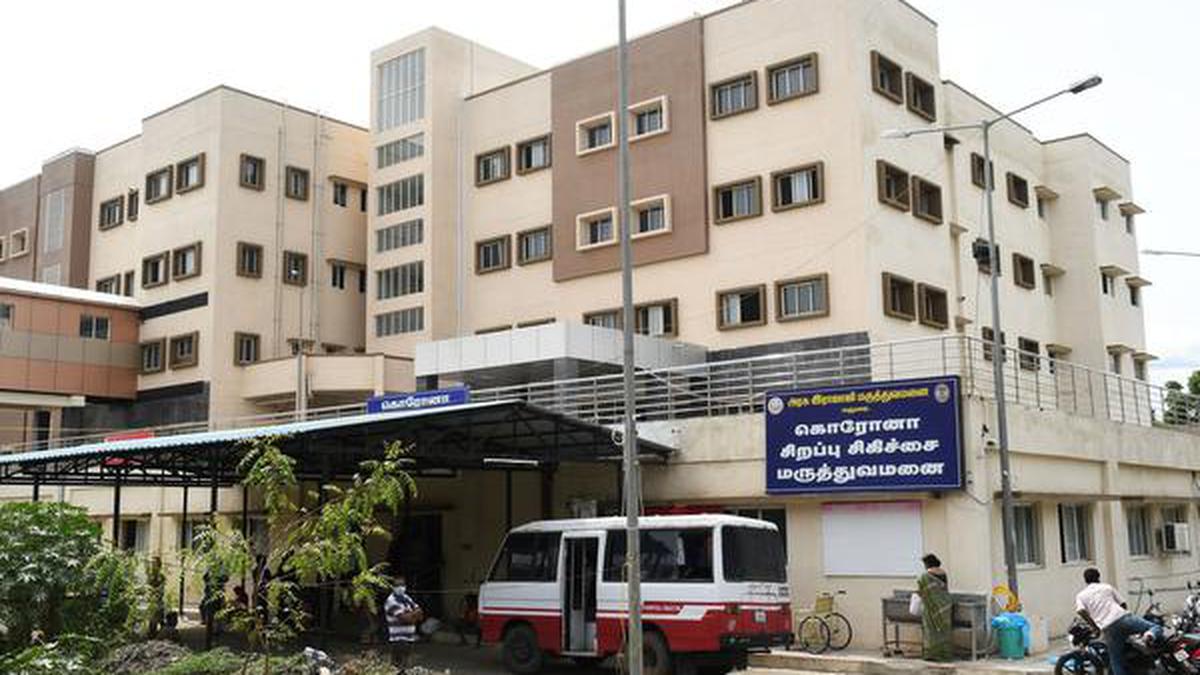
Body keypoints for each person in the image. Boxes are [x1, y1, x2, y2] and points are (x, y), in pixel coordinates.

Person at [1075, 567, 1159, 675]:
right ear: (1098, 578)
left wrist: (1094, 626)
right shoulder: (1107, 587)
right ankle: (1149, 635)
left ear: (1085, 580)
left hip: (1108, 628)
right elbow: (1123, 604)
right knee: (1155, 627)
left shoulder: (1081, 595)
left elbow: (1081, 611)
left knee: (1116, 661)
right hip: (1123, 618)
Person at [916, 553, 953, 661]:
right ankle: (944, 655)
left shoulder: (925, 576)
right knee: (943, 630)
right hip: (945, 605)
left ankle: (932, 655)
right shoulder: (943, 573)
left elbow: (922, 591)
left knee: (931, 630)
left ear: (927, 563)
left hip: (931, 606)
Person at [384, 576, 423, 672]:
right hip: (398, 640)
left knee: (406, 666)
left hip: (409, 638)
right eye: (398, 585)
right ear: (393, 587)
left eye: (402, 585)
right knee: (397, 667)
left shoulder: (406, 598)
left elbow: (421, 614)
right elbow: (405, 619)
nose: (401, 587)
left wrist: (411, 616)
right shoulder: (391, 601)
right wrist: (413, 615)